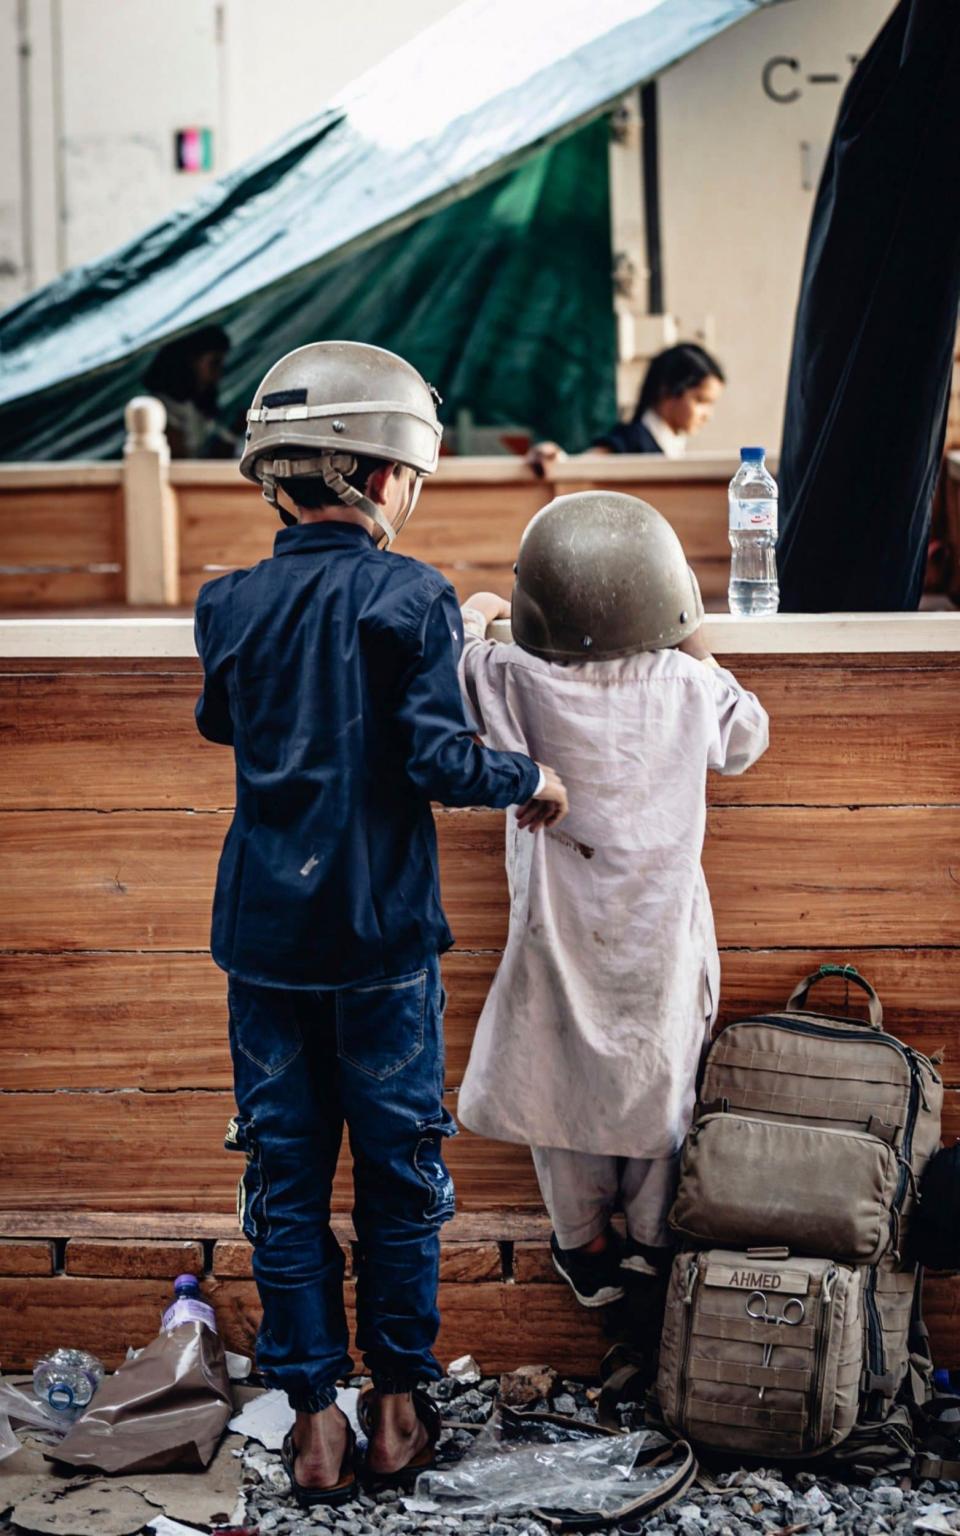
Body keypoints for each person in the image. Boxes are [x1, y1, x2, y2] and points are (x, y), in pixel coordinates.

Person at [193, 341, 568, 1508]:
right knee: (400, 1177)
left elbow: (222, 723)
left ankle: (314, 1421)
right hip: (379, 940)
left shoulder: (227, 602)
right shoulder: (413, 597)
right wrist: (532, 780)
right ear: (382, 475)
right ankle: (398, 1409)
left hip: (263, 939)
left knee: (287, 1177)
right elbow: (434, 758)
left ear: (280, 476)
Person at [455, 491, 768, 1316]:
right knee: (664, 1078)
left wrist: (480, 605)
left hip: (558, 929)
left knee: (556, 1080)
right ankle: (654, 1244)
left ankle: (583, 1245)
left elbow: (461, 655)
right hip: (662, 932)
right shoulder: (686, 683)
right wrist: (694, 637)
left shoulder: (512, 674)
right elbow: (748, 737)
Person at [529, 342, 725, 472]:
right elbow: (579, 467)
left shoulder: (672, 448)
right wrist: (555, 458)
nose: (707, 415)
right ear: (667, 391)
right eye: (700, 401)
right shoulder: (629, 442)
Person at [143, 323, 238, 458]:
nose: (219, 371)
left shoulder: (198, 404)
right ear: (191, 361)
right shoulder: (162, 407)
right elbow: (179, 462)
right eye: (214, 362)